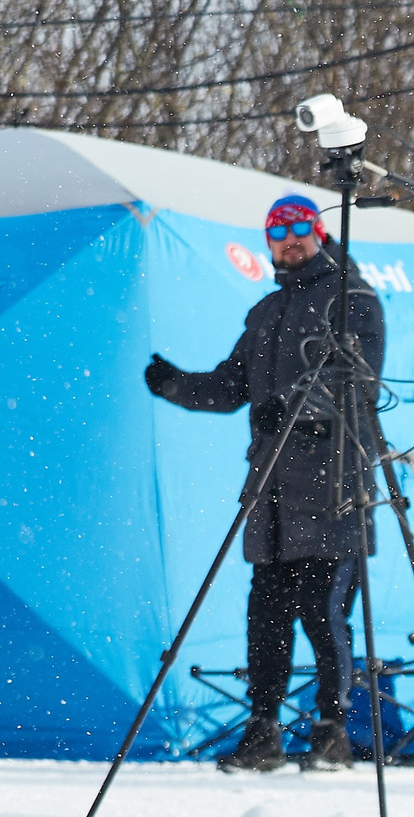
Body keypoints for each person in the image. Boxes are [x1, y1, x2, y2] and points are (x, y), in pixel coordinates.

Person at [144, 193, 380, 774]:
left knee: (324, 612)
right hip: (272, 489)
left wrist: (292, 406)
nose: (291, 238)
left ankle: (331, 731)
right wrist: (176, 385)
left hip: (332, 485)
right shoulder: (267, 312)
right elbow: (230, 388)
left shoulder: (353, 297)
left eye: (302, 227)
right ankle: (264, 730)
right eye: (279, 231)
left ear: (319, 233)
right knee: (266, 614)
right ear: (268, 242)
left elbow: (359, 383)